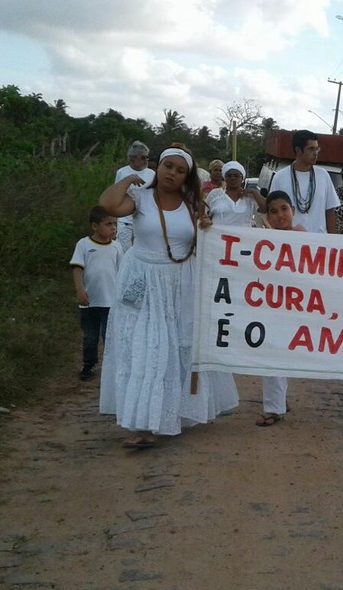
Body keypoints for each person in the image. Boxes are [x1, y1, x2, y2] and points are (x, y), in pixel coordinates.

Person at [98, 144, 239, 449]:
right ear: (156, 167)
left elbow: (205, 245)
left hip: (180, 283)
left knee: (175, 349)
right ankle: (143, 424)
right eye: (167, 166)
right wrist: (128, 180)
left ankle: (171, 414)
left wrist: (206, 228)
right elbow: (108, 205)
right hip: (142, 282)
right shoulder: (140, 198)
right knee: (145, 349)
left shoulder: (193, 205)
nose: (171, 173)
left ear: (187, 176)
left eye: (179, 170)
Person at [255, 190, 305, 426]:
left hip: (299, 306)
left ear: (293, 211)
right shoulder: (262, 240)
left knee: (288, 354)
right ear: (267, 217)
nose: (280, 215)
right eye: (273, 212)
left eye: (284, 209)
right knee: (271, 352)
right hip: (271, 305)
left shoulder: (304, 236)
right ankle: (273, 408)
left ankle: (279, 400)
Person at [70, 206, 123, 381]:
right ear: (95, 226)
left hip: (111, 302)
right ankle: (89, 365)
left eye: (115, 224)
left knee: (110, 336)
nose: (113, 228)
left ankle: (112, 367)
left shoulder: (117, 247)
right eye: (108, 224)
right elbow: (77, 269)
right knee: (90, 336)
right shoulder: (84, 244)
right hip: (90, 301)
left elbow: (121, 272)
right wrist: (80, 290)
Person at [267, 129, 340, 234]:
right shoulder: (280, 177)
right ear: (298, 150)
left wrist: (333, 241)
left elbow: (330, 211)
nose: (315, 153)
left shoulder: (323, 175)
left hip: (319, 243)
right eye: (311, 149)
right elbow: (272, 211)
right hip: (291, 241)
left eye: (317, 149)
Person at [113, 141, 155, 252]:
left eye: (147, 157)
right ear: (134, 158)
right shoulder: (122, 172)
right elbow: (116, 194)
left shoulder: (152, 174)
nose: (147, 160)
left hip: (145, 219)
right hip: (125, 220)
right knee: (123, 251)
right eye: (144, 157)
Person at [206, 161, 261, 227]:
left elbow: (265, 210)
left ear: (242, 178)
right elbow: (204, 213)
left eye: (236, 176)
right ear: (225, 178)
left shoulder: (250, 197)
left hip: (244, 236)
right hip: (218, 236)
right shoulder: (215, 194)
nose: (233, 178)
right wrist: (205, 220)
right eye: (229, 176)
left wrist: (254, 192)